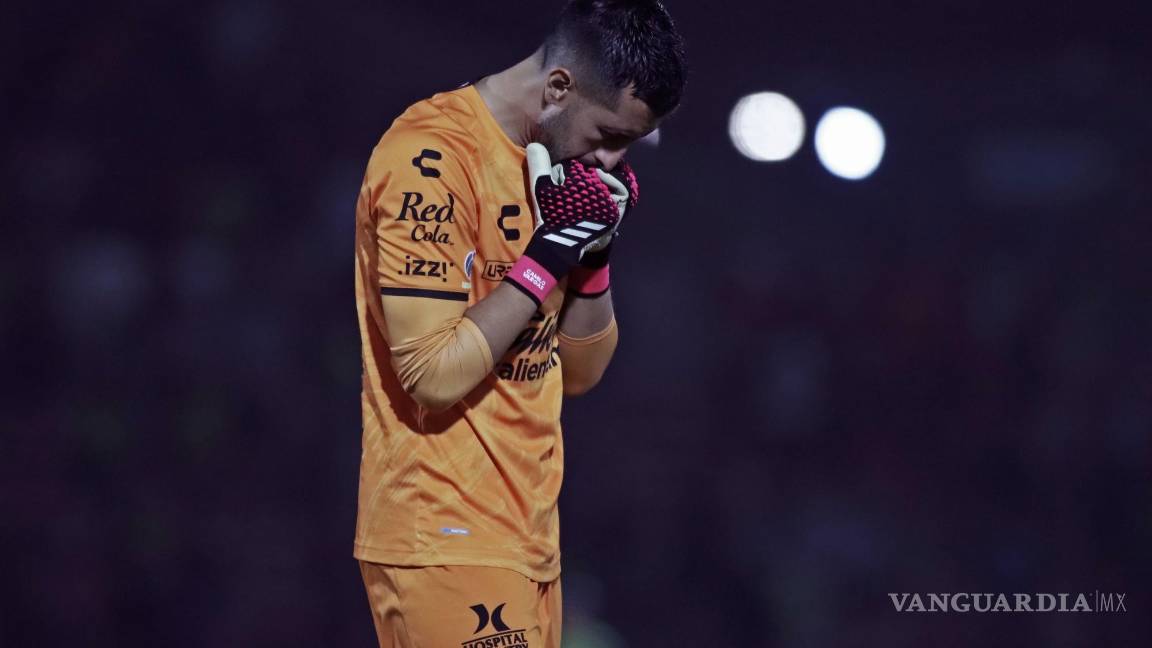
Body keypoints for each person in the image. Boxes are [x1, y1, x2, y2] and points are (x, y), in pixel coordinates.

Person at [353, 1, 686, 645]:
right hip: (442, 533)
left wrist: (592, 253)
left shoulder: (556, 169)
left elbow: (580, 373)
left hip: (529, 539)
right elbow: (430, 375)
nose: (612, 162)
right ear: (559, 87)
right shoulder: (429, 155)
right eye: (608, 135)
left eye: (627, 145)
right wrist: (547, 256)